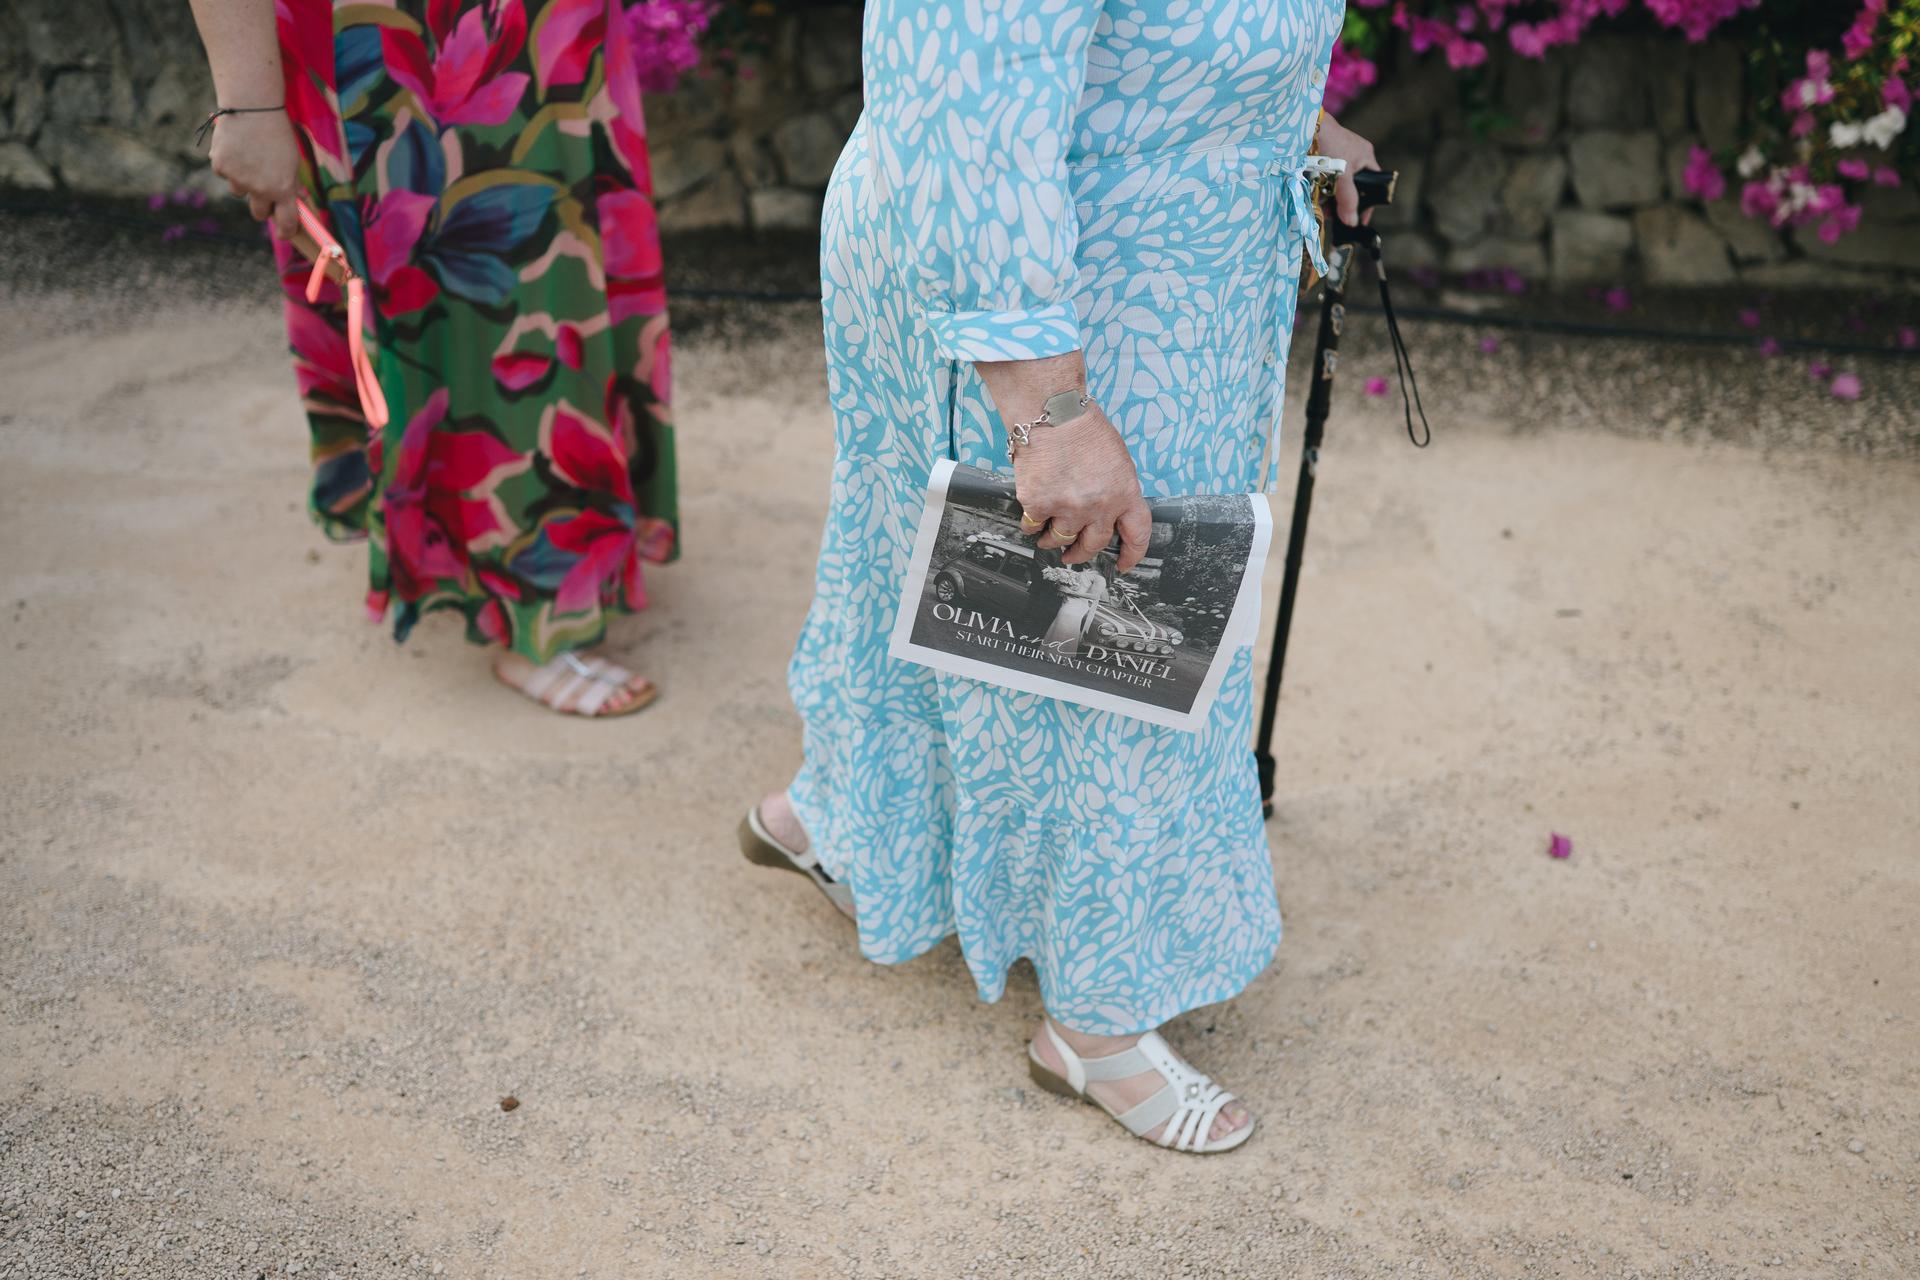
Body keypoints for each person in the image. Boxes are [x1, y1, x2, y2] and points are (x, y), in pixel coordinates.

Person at [743, 0, 1380, 1155]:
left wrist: (1292, 118)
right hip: (1061, 293)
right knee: (1113, 623)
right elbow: (972, 93)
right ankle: (1095, 1016)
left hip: (1130, 262)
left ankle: (842, 818)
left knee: (942, 558)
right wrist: (1049, 404)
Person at [187, 0, 678, 717]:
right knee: (494, 295)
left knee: (561, 271)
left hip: (545, 30)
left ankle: (559, 551)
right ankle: (529, 602)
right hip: (399, 37)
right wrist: (247, 105)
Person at [1039, 560, 1108, 657]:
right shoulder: (1087, 571)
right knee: (1059, 624)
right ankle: (1049, 652)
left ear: (1100, 562)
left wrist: (1070, 592)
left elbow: (1094, 596)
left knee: (1066, 627)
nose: (1092, 557)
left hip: (1077, 605)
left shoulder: (1100, 578)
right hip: (1068, 601)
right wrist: (1061, 586)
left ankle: (1057, 655)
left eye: (1096, 557)